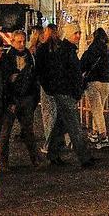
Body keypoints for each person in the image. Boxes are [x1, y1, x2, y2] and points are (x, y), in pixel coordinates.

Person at [42, 24, 95, 168]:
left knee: (61, 125)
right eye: (75, 33)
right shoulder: (65, 51)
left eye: (79, 32)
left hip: (66, 92)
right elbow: (66, 74)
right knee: (74, 126)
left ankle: (52, 154)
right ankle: (84, 157)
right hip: (66, 93)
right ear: (69, 34)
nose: (78, 36)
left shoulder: (68, 50)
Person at [0, 30, 40, 167]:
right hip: (12, 99)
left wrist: (34, 98)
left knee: (28, 132)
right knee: (5, 132)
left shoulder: (29, 55)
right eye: (19, 41)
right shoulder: (6, 57)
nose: (22, 44)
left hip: (27, 98)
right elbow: (4, 81)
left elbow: (34, 77)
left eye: (23, 41)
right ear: (12, 42)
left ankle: (35, 160)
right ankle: (3, 161)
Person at [80, 27, 109, 150]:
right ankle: (95, 133)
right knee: (99, 109)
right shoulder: (108, 53)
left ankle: (103, 136)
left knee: (97, 110)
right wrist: (106, 76)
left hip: (93, 82)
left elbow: (81, 67)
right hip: (106, 83)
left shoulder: (89, 52)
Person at [34, 23, 59, 154]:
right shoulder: (60, 47)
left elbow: (38, 68)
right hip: (59, 86)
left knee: (48, 116)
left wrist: (41, 82)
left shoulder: (42, 48)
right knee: (58, 114)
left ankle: (49, 144)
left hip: (47, 86)